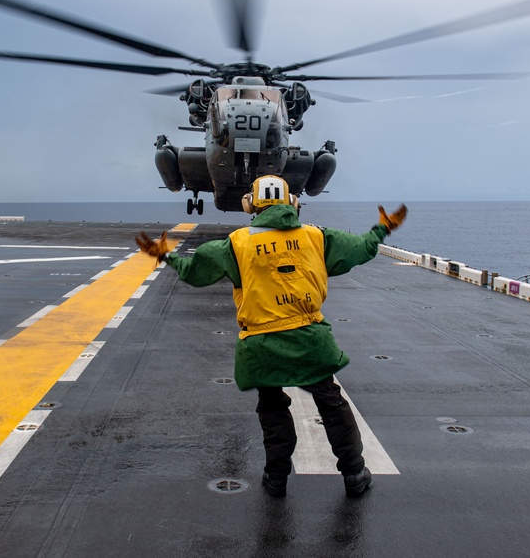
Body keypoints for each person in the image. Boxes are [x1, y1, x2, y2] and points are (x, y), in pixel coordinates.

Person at [135, 175, 407, 498]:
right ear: (292, 202)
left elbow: (198, 271)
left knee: (272, 407)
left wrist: (167, 256)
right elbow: (361, 249)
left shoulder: (238, 244)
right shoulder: (316, 237)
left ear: (251, 204)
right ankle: (354, 473)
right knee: (331, 403)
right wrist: (382, 229)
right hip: (309, 341)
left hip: (262, 346)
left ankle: (276, 477)